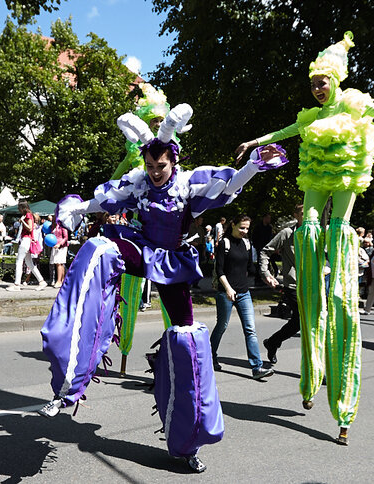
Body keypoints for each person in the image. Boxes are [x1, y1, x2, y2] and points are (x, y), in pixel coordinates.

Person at [38, 102, 288, 473]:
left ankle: (188, 441)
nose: (155, 173)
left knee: (187, 339)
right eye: (150, 166)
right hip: (140, 249)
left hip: (172, 265)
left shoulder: (189, 186)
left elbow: (229, 185)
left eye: (161, 167)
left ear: (173, 162)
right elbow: (104, 201)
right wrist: (80, 209)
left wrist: (253, 164)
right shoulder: (138, 183)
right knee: (98, 249)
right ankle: (69, 381)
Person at [234, 31, 374, 445]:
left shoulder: (355, 102)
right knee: (310, 226)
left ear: (336, 80)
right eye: (314, 81)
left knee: (336, 229)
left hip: (344, 179)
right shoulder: (311, 117)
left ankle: (342, 399)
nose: (318, 86)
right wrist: (254, 142)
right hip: (315, 187)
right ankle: (311, 370)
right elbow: (286, 130)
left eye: (323, 80)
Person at [210, 214, 274, 380]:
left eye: (247, 228)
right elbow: (220, 271)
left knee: (250, 329)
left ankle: (256, 368)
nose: (244, 231)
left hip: (244, 293)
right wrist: (229, 289)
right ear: (233, 225)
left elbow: (250, 269)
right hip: (226, 293)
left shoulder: (247, 243)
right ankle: (210, 356)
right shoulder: (224, 243)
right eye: (241, 227)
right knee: (222, 326)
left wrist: (266, 277)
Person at [259, 204, 303, 366]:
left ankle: (272, 342)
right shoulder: (287, 233)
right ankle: (314, 369)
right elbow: (265, 252)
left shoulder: (318, 234)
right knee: (307, 324)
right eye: (303, 213)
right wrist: (266, 273)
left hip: (314, 287)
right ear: (296, 215)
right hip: (293, 286)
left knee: (298, 323)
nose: (307, 217)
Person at [8, 201, 46, 291]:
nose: (18, 210)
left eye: (19, 208)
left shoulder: (28, 215)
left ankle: (17, 284)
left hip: (26, 240)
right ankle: (41, 281)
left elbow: (29, 228)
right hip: (28, 241)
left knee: (19, 261)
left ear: (22, 208)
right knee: (29, 263)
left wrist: (22, 221)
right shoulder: (30, 215)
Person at [49, 219, 69, 289]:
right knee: (59, 263)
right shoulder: (53, 226)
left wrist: (60, 244)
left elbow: (66, 237)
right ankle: (63, 280)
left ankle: (59, 281)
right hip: (55, 246)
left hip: (61, 246)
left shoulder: (62, 226)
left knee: (59, 263)